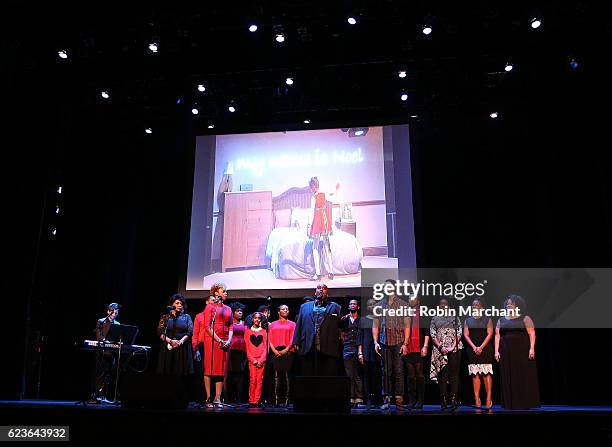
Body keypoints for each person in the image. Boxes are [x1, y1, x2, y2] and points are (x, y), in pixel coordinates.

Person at [495, 295, 540, 409]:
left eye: (511, 303)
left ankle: (524, 402)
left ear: (517, 305)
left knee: (521, 374)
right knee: (508, 374)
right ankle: (510, 402)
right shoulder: (501, 320)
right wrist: (496, 351)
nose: (509, 305)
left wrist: (532, 348)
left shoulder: (525, 318)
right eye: (507, 304)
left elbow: (532, 333)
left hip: (522, 351)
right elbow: (497, 336)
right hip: (506, 352)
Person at [372, 279, 411, 409]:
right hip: (384, 341)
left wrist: (405, 343)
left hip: (398, 341)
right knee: (385, 371)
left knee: (399, 371)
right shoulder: (379, 305)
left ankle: (399, 399)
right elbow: (375, 325)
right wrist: (375, 342)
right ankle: (386, 399)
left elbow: (407, 326)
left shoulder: (403, 304)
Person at [292, 283, 342, 376]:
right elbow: (299, 324)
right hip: (308, 343)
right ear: (315, 293)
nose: (321, 290)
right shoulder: (304, 307)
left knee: (326, 373)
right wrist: (296, 341)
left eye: (324, 288)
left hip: (327, 344)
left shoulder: (335, 307)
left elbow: (340, 325)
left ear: (328, 293)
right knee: (308, 372)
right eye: (319, 288)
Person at [203, 283, 233, 407]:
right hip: (212, 340)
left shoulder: (228, 309)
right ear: (216, 293)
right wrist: (218, 340)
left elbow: (231, 326)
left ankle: (217, 398)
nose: (226, 293)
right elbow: (207, 327)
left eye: (226, 291)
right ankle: (208, 398)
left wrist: (228, 340)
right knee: (209, 369)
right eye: (223, 291)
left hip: (225, 340)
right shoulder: (210, 307)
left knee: (221, 370)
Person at [430, 298, 463, 411]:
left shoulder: (454, 317)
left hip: (454, 349)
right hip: (440, 349)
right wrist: (441, 346)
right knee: (443, 376)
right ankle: (443, 401)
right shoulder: (434, 318)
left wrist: (453, 346)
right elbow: (432, 333)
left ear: (449, 305)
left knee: (454, 375)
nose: (443, 305)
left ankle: (453, 400)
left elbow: (459, 331)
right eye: (441, 303)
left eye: (445, 303)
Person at [464, 298, 494, 409]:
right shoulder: (468, 320)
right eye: (473, 305)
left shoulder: (487, 319)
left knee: (486, 374)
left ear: (482, 307)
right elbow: (466, 335)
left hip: (485, 349)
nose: (475, 306)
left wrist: (481, 347)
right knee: (475, 375)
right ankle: (477, 399)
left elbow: (490, 334)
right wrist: (474, 347)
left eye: (477, 304)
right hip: (472, 350)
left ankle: (488, 398)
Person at [307, 176, 339, 281]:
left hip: (317, 222)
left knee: (315, 247)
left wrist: (308, 227)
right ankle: (331, 272)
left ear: (313, 187)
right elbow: (332, 195)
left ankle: (318, 273)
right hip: (325, 221)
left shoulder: (313, 198)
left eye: (310, 187)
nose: (310, 190)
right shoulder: (324, 194)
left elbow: (311, 214)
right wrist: (336, 189)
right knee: (326, 246)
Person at [157, 294, 194, 377]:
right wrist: (170, 341)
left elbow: (190, 332)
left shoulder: (187, 317)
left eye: (181, 303)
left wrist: (180, 341)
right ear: (172, 305)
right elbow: (160, 333)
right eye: (177, 303)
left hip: (182, 347)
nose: (180, 305)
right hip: (168, 347)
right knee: (167, 372)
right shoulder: (165, 317)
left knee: (180, 374)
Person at [403, 295, 429, 409]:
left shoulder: (422, 312)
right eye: (409, 298)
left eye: (413, 298)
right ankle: (411, 400)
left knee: (419, 374)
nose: (411, 300)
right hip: (408, 347)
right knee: (410, 375)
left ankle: (420, 400)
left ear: (418, 301)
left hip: (419, 347)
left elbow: (427, 332)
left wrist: (425, 346)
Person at [91, 303, 121, 402]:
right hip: (102, 351)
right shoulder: (101, 321)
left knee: (111, 374)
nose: (115, 312)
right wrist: (104, 340)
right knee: (101, 373)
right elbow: (98, 336)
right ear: (108, 311)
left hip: (112, 352)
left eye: (116, 310)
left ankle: (109, 396)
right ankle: (98, 395)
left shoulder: (117, 324)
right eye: (113, 310)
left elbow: (118, 338)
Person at [268, 304, 296, 407]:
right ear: (278, 312)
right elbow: (269, 339)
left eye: (287, 309)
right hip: (275, 351)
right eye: (283, 309)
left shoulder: (292, 324)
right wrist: (274, 350)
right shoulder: (273, 325)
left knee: (287, 376)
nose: (286, 310)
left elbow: (293, 338)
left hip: (287, 351)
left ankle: (287, 401)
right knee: (276, 377)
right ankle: (276, 400)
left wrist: (286, 349)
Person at [357, 298, 382, 408]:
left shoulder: (380, 319)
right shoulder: (363, 320)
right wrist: (360, 352)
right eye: (369, 304)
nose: (371, 306)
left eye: (373, 304)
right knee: (366, 376)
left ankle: (377, 399)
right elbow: (360, 336)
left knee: (376, 376)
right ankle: (368, 400)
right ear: (367, 307)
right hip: (366, 351)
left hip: (377, 351)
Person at [341, 299, 364, 407]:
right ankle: (350, 397)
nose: (352, 305)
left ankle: (359, 397)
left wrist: (361, 351)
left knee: (358, 374)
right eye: (350, 304)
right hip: (347, 348)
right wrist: (342, 337)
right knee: (349, 374)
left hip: (358, 348)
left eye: (354, 304)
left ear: (358, 307)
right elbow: (340, 330)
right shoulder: (344, 319)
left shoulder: (361, 320)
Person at [192, 295, 215, 402]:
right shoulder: (199, 316)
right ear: (206, 302)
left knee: (213, 373)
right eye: (212, 301)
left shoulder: (217, 316)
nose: (214, 303)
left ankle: (213, 397)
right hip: (202, 347)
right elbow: (195, 333)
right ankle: (200, 398)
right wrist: (195, 349)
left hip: (214, 347)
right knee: (201, 372)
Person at [225, 302, 247, 404]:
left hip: (242, 350)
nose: (240, 313)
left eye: (241, 311)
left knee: (240, 375)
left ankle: (239, 398)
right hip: (231, 350)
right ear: (233, 312)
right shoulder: (230, 324)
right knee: (230, 375)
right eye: (238, 311)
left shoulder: (244, 323)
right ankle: (228, 397)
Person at [245, 312, 268, 407]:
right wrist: (253, 360)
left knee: (259, 380)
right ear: (252, 319)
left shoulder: (264, 331)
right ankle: (251, 400)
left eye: (259, 318)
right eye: (255, 318)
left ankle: (256, 401)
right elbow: (246, 347)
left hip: (261, 360)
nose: (257, 320)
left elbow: (266, 347)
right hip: (252, 360)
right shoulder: (247, 331)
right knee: (252, 379)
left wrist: (261, 360)